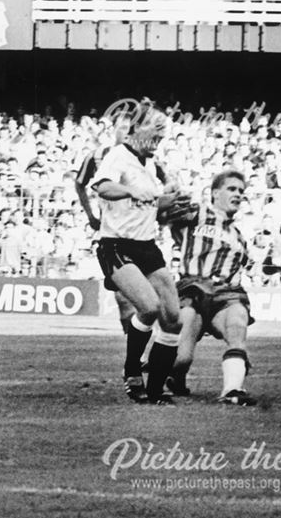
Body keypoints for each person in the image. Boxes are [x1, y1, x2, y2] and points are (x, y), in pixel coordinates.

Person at [91, 102, 184, 404]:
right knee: (149, 306)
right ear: (136, 127)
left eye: (163, 129)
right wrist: (130, 191)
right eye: (156, 126)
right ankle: (132, 372)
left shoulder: (150, 164)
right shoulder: (118, 155)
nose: (161, 132)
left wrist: (175, 204)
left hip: (147, 245)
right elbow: (102, 187)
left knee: (173, 316)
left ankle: (156, 389)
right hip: (116, 245)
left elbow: (152, 206)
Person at [166, 170, 257, 406]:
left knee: (237, 325)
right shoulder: (196, 213)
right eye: (232, 189)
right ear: (215, 193)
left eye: (241, 191)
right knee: (181, 358)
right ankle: (174, 377)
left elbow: (239, 273)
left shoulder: (239, 238)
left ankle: (232, 389)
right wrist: (170, 194)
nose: (238, 194)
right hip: (191, 289)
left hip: (225, 294)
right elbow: (163, 216)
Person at [74, 117, 139, 333]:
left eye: (131, 129)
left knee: (152, 298)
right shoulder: (96, 155)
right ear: (113, 131)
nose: (127, 132)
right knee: (122, 295)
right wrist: (91, 216)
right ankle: (134, 352)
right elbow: (80, 184)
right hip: (112, 234)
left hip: (141, 232)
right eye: (123, 128)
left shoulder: (143, 157)